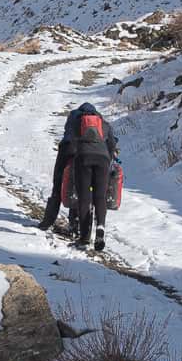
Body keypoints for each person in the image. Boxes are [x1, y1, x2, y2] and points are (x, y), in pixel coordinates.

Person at [41, 97, 120, 251]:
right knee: (99, 196)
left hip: (79, 155)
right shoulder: (102, 122)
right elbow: (112, 144)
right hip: (103, 159)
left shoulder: (74, 117)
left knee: (75, 191)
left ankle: (79, 233)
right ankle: (100, 228)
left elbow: (69, 138)